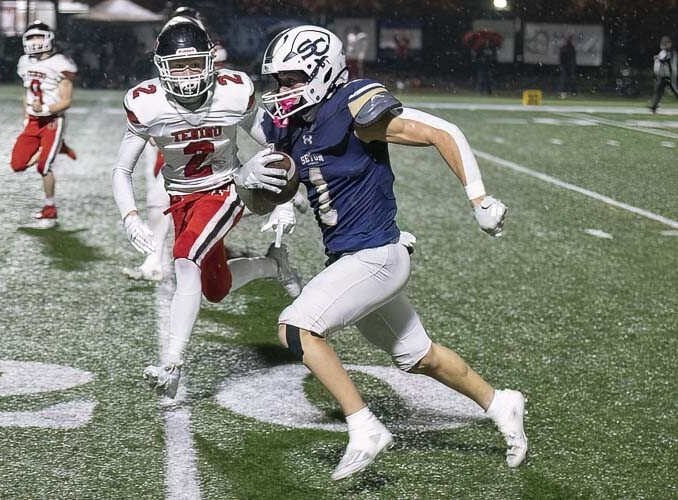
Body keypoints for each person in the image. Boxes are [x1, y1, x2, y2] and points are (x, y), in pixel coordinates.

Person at [242, 25, 527, 480]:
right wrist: (248, 181)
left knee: (297, 328)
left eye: (292, 79)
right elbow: (264, 202)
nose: (283, 91)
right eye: (278, 81)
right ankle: (501, 404)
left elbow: (442, 130)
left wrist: (479, 198)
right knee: (419, 357)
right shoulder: (295, 129)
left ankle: (364, 426)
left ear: (322, 72)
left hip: (377, 257)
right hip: (351, 261)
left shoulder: (354, 108)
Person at [112, 19, 302, 399]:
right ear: (161, 66)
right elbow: (122, 169)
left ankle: (172, 364)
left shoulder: (233, 94)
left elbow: (276, 144)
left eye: (194, 64)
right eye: (178, 65)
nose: (186, 74)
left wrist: (284, 199)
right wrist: (130, 216)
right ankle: (274, 265)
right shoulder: (147, 104)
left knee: (184, 260)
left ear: (210, 62)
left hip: (227, 188)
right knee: (215, 288)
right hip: (181, 199)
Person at [122, 9, 232, 282]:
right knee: (162, 196)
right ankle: (157, 257)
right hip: (179, 144)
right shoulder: (166, 69)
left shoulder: (226, 81)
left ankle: (171, 256)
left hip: (215, 155)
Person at [10, 21, 78, 226]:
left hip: (52, 121)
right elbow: (27, 93)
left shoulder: (61, 63)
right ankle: (58, 146)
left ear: (49, 39)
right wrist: (26, 117)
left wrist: (46, 110)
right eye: (30, 37)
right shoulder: (24, 62)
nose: (34, 42)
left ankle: (50, 207)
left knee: (43, 167)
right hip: (32, 121)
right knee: (18, 165)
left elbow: (66, 101)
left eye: (38, 37)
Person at [650, 35, 678, 113]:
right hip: (663, 75)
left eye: (666, 43)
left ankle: (654, 106)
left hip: (670, 75)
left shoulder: (671, 51)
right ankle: (654, 107)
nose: (664, 44)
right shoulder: (663, 52)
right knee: (658, 91)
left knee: (675, 91)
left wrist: (659, 59)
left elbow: (667, 60)